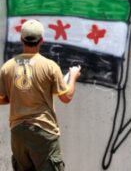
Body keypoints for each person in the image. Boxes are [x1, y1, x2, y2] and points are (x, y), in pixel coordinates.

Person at [0, 19, 81, 171]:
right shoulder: (50, 66)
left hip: (18, 133)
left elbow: (2, 99)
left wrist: (17, 95)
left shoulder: (7, 67)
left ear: (22, 39)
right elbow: (66, 97)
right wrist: (73, 77)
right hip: (43, 131)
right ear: (41, 40)